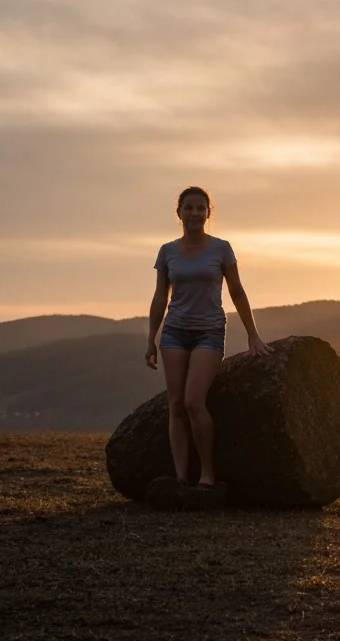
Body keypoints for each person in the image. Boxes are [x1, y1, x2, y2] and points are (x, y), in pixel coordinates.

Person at [145, 186, 273, 490]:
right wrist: (151, 338)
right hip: (174, 331)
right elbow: (160, 297)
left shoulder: (222, 249)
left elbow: (237, 292)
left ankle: (207, 474)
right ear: (179, 213)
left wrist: (253, 335)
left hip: (210, 330)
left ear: (208, 213)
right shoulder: (167, 252)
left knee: (193, 401)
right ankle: (180, 478)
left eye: (200, 208)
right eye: (188, 208)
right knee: (175, 405)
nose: (194, 214)